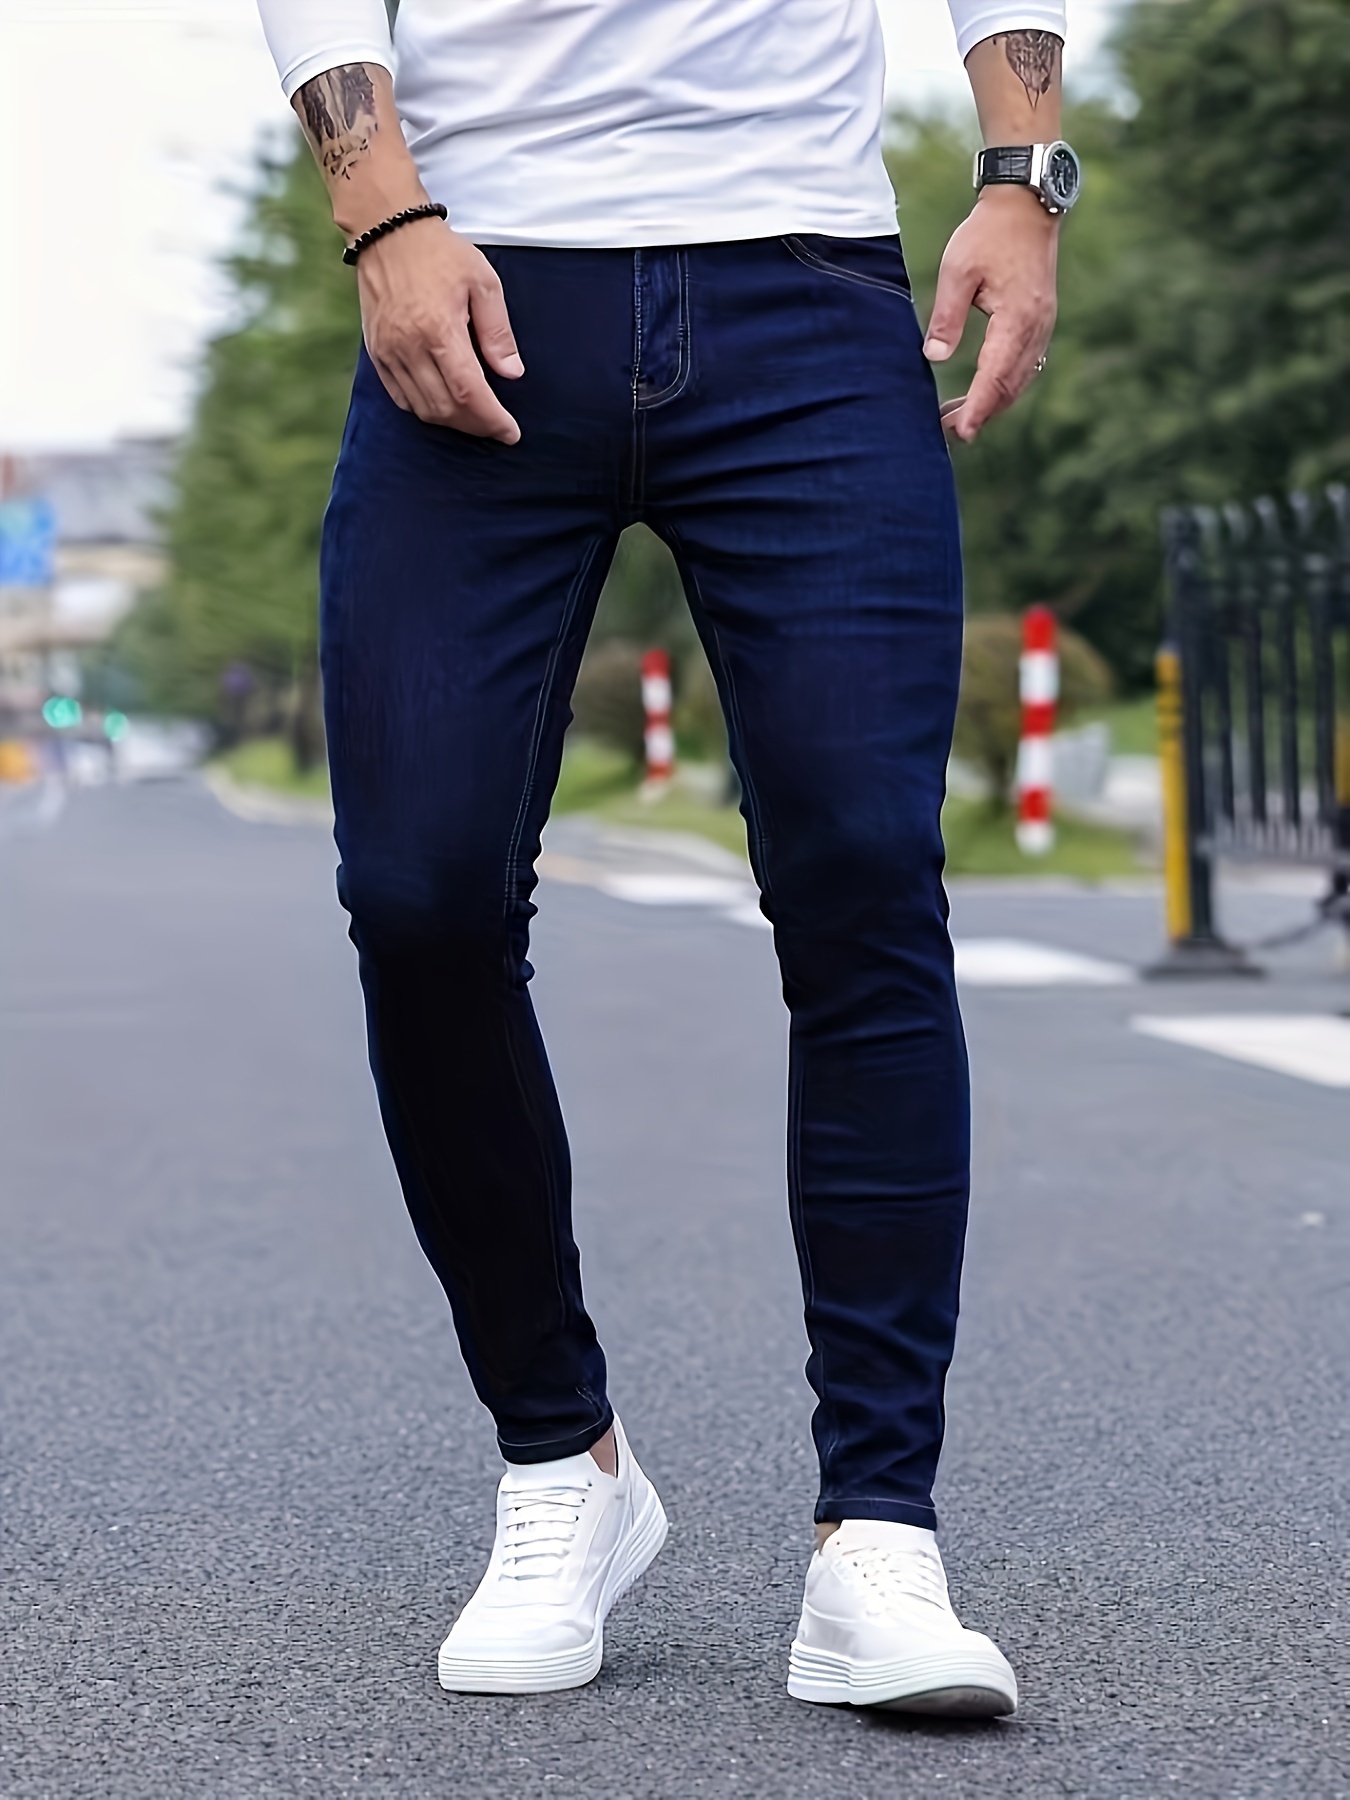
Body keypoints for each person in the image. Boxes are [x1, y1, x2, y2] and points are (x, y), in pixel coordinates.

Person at [256, 0, 1078, 1715]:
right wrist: (381, 215)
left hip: (805, 282)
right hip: (474, 266)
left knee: (864, 877)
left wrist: (1021, 175)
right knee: (418, 896)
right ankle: (560, 1462)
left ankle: (878, 1533)